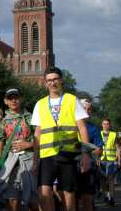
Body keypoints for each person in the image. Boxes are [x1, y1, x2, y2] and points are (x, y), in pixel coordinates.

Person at [31, 66, 91, 211]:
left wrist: (85, 154)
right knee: (44, 192)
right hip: (47, 156)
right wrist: (35, 159)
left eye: (55, 79)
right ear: (45, 83)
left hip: (68, 154)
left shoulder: (71, 100)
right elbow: (37, 133)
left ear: (61, 80)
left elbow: (82, 128)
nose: (52, 83)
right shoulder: (40, 104)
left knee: (68, 193)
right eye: (49, 80)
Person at [0, 88, 39, 211]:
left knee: (34, 200)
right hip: (11, 165)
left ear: (21, 99)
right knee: (12, 199)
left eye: (16, 97)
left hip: (30, 163)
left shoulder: (32, 118)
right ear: (5, 101)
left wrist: (28, 145)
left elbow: (43, 140)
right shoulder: (3, 122)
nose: (13, 100)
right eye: (10, 98)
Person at [76, 99, 103, 211]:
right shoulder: (70, 126)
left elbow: (99, 150)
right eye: (84, 108)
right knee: (73, 199)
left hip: (89, 168)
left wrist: (86, 153)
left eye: (89, 109)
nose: (87, 111)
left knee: (87, 198)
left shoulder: (94, 128)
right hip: (71, 167)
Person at [99, 118, 117, 206]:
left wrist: (118, 159)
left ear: (110, 125)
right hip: (101, 159)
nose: (106, 125)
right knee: (103, 180)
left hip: (111, 160)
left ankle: (112, 198)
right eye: (104, 124)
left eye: (107, 124)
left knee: (110, 179)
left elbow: (117, 147)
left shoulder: (114, 134)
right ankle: (105, 196)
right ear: (102, 125)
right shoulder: (99, 134)